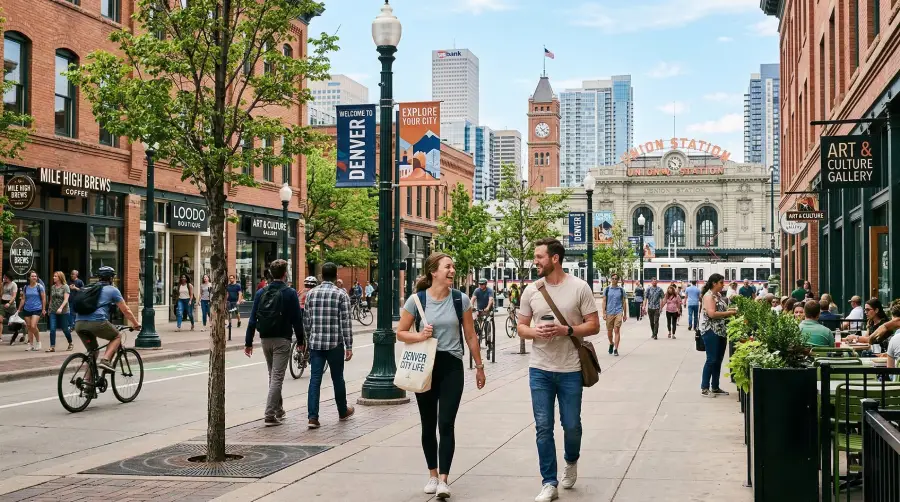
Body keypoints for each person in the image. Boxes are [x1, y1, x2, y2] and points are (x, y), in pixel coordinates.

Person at [516, 238, 600, 502]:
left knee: (571, 425)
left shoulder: (579, 287)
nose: (535, 261)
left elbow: (594, 326)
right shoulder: (531, 291)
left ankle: (571, 460)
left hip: (571, 369)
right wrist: (534, 332)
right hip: (539, 368)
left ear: (554, 258)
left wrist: (568, 330)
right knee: (543, 427)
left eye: (539, 257)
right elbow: (521, 327)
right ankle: (548, 482)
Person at [398, 252, 485, 499]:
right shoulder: (416, 300)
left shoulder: (461, 300)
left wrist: (479, 367)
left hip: (451, 366)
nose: (452, 270)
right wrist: (420, 336)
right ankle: (432, 475)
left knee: (446, 423)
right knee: (428, 423)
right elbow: (401, 333)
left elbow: (470, 336)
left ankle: (444, 479)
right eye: (448, 267)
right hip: (425, 366)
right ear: (433, 271)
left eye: (453, 267)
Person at [244, 259, 304, 427]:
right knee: (277, 377)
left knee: (273, 375)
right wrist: (301, 340)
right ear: (285, 274)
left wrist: (248, 342)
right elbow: (296, 320)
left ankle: (279, 410)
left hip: (265, 339)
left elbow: (252, 319)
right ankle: (270, 415)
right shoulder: (290, 293)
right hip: (282, 339)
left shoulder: (260, 292)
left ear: (271, 273)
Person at [304, 262, 355, 429]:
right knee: (337, 378)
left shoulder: (311, 294)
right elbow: (345, 322)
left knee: (315, 379)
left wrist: (307, 340)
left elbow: (307, 321)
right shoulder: (341, 295)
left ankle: (313, 417)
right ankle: (342, 410)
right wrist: (349, 345)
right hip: (335, 343)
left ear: (321, 276)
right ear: (335, 276)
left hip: (316, 343)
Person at [73, 266, 141, 373]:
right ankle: (105, 360)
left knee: (93, 352)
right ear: (111, 278)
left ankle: (87, 383)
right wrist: (135, 323)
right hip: (97, 323)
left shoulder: (89, 287)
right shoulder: (112, 290)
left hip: (79, 324)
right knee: (117, 335)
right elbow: (126, 310)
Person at [699, 273, 738, 398]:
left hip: (720, 330)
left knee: (718, 360)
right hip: (710, 330)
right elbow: (711, 314)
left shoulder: (718, 295)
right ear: (714, 283)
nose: (723, 285)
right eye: (721, 283)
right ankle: (705, 388)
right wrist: (729, 313)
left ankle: (715, 386)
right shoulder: (709, 296)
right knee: (711, 359)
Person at [16, 271, 45, 351]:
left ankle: (38, 342)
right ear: (29, 277)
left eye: (35, 276)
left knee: (33, 326)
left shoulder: (39, 287)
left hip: (37, 308)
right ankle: (31, 344)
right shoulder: (26, 287)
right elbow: (23, 299)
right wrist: (19, 309)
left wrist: (43, 309)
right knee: (29, 327)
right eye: (32, 276)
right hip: (27, 309)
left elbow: (43, 298)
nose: (34, 278)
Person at [601, 272, 627, 356]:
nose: (614, 280)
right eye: (613, 278)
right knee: (609, 332)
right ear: (610, 279)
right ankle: (611, 343)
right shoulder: (607, 289)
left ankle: (616, 349)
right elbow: (604, 301)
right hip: (609, 312)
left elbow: (624, 302)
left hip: (618, 312)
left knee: (616, 330)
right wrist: (604, 313)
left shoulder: (621, 290)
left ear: (618, 280)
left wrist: (625, 314)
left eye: (616, 279)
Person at [47, 271, 73, 352]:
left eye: (55, 276)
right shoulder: (53, 287)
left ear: (60, 278)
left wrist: (61, 308)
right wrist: (49, 308)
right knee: (52, 329)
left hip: (64, 311)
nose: (53, 277)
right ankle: (52, 346)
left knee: (65, 329)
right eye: (53, 276)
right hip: (53, 311)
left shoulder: (65, 287)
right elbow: (51, 299)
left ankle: (70, 343)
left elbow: (66, 299)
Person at [1, 271, 18, 342]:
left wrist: (9, 303)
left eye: (6, 277)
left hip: (11, 305)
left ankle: (19, 333)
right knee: (0, 320)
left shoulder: (13, 284)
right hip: (2, 303)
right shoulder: (3, 284)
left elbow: (14, 296)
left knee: (14, 321)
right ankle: (0, 337)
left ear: (9, 278)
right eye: (4, 277)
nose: (4, 278)